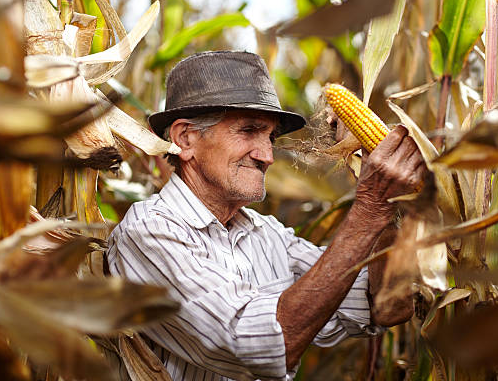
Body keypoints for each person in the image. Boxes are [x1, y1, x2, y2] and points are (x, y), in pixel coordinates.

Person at [107, 51, 429, 381]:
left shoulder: (268, 234)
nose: (267, 156)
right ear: (185, 139)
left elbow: (387, 306)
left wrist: (389, 206)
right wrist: (369, 210)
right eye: (248, 131)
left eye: (270, 137)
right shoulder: (148, 233)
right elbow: (263, 346)